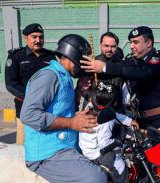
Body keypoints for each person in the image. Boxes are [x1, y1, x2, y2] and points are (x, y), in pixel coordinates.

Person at [20, 34, 108, 183]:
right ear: (73, 55)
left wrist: (79, 91)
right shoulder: (49, 76)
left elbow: (63, 109)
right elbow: (28, 115)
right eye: (84, 59)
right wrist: (71, 123)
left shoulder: (63, 77)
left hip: (65, 149)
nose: (85, 64)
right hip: (47, 155)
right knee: (97, 177)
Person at [80, 26, 160, 137]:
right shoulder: (135, 62)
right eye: (131, 43)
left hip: (158, 124)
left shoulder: (157, 62)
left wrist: (104, 67)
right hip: (139, 122)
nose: (131, 46)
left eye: (135, 42)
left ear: (148, 43)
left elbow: (142, 73)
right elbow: (120, 66)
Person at [5, 23, 56, 145]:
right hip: (25, 109)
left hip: (47, 109)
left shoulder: (50, 56)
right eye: (34, 37)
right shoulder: (16, 56)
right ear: (26, 38)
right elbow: (11, 84)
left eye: (41, 37)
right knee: (23, 146)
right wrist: (32, 98)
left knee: (45, 144)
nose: (38, 40)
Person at [79, 81, 138, 183]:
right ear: (114, 102)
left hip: (85, 148)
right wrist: (120, 142)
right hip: (95, 154)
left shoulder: (89, 106)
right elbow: (103, 143)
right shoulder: (106, 121)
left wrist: (129, 121)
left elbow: (114, 115)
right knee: (120, 165)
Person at [82, 32, 124, 111]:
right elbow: (82, 87)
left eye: (113, 46)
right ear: (100, 45)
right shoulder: (91, 63)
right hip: (93, 110)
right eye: (106, 46)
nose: (109, 49)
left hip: (115, 111)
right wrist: (91, 98)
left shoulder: (122, 65)